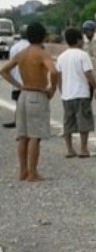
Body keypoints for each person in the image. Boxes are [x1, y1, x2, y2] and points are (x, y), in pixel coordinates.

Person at [0, 22, 58, 181]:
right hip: (36, 94)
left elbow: (4, 71)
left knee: (23, 136)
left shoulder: (22, 53)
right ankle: (33, 173)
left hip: (23, 94)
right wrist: (52, 88)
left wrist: (18, 85)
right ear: (43, 36)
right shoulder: (41, 53)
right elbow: (53, 70)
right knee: (35, 136)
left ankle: (23, 171)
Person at [56, 27, 96, 158]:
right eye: (81, 39)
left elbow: (59, 76)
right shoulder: (83, 55)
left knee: (68, 122)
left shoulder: (61, 57)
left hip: (67, 94)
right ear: (78, 40)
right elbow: (88, 73)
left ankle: (70, 149)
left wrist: (62, 91)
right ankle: (83, 149)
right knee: (84, 122)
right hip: (81, 93)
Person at [2, 26, 29, 128]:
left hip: (17, 79)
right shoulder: (32, 47)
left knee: (19, 102)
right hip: (30, 80)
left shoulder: (15, 47)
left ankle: (18, 121)